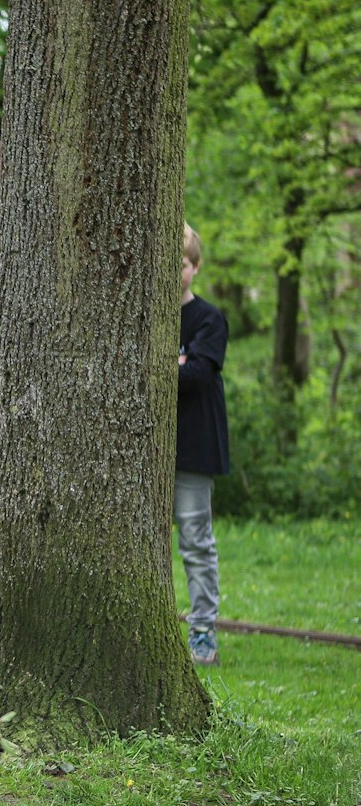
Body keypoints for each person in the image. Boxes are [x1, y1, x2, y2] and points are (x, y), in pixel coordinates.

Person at [178, 224, 229, 667]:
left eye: (182, 263)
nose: (174, 271)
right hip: (146, 454)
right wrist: (176, 361)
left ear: (195, 267)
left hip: (194, 449)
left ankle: (203, 629)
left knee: (196, 540)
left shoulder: (209, 319)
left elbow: (196, 374)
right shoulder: (140, 315)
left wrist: (177, 365)